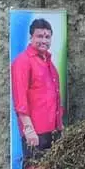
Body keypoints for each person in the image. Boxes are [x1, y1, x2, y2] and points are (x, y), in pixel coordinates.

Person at [11, 17, 64, 157]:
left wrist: (60, 127)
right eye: (39, 36)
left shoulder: (49, 63)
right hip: (35, 133)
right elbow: (20, 100)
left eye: (47, 37)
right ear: (31, 37)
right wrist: (28, 130)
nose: (44, 40)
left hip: (53, 132)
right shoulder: (23, 62)